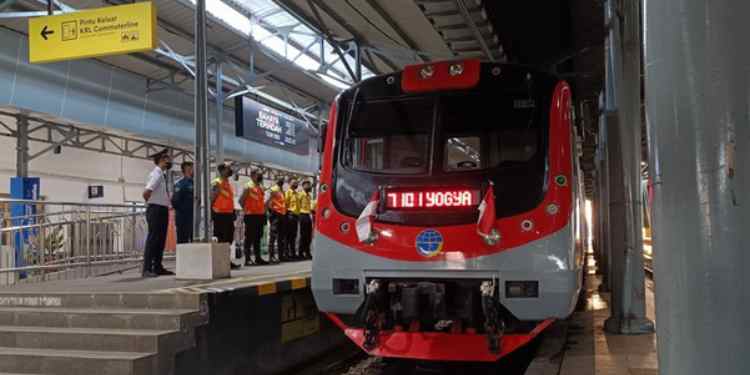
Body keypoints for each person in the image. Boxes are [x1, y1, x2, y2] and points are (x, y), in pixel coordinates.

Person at [142, 150, 174, 277]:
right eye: (167, 158)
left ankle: (158, 267)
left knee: (160, 240)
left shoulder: (162, 174)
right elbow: (146, 192)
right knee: (153, 239)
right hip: (156, 209)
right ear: (161, 160)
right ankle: (147, 269)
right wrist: (152, 204)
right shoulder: (156, 173)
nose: (169, 161)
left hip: (161, 209)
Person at [211, 163, 241, 269]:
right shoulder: (216, 183)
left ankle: (226, 260)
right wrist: (211, 214)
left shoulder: (227, 183)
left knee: (229, 238)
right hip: (220, 215)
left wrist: (233, 212)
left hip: (228, 214)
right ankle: (221, 262)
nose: (230, 171)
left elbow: (228, 199)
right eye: (228, 169)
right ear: (222, 170)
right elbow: (212, 198)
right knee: (221, 239)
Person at [239, 170, 267, 266]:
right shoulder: (248, 186)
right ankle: (247, 259)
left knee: (258, 238)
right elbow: (241, 201)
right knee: (249, 238)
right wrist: (247, 210)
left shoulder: (260, 187)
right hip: (250, 215)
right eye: (258, 174)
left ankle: (258, 258)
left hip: (260, 215)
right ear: (252, 176)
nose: (260, 176)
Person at [171, 162, 194, 244]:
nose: (194, 170)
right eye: (192, 168)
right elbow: (175, 201)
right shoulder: (180, 184)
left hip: (192, 218)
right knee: (182, 242)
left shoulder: (194, 183)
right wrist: (185, 210)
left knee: (194, 241)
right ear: (187, 169)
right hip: (183, 218)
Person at [267, 177, 287, 264]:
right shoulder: (273, 189)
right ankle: (271, 256)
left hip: (282, 214)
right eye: (279, 179)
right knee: (273, 236)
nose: (281, 181)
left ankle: (281, 255)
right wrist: (272, 211)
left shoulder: (282, 190)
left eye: (282, 180)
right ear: (276, 180)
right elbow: (268, 202)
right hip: (275, 214)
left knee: (281, 236)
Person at [284, 179, 300, 260]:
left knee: (293, 236)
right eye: (293, 183)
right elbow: (285, 205)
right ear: (289, 183)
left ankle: (293, 253)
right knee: (288, 236)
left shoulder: (297, 194)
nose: (295, 184)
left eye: (296, 183)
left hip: (296, 216)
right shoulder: (288, 193)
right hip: (290, 215)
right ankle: (286, 254)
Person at [298, 180, 314, 260]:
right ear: (303, 186)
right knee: (303, 235)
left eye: (309, 185)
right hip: (302, 215)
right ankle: (300, 253)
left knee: (308, 235)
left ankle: (307, 252)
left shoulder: (309, 196)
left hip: (308, 215)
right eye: (308, 185)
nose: (309, 186)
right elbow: (298, 205)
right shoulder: (300, 194)